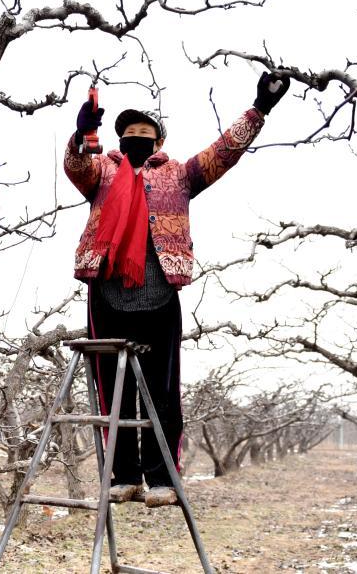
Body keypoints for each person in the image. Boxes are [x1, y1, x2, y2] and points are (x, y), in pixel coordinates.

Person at [64, 72, 290, 507]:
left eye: (144, 134)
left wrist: (259, 109)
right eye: (128, 133)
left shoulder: (180, 176)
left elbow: (223, 153)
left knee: (162, 390)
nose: (135, 138)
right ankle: (121, 476)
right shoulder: (103, 172)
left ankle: (162, 478)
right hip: (106, 290)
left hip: (160, 290)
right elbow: (76, 166)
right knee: (111, 388)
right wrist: (81, 133)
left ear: (158, 141)